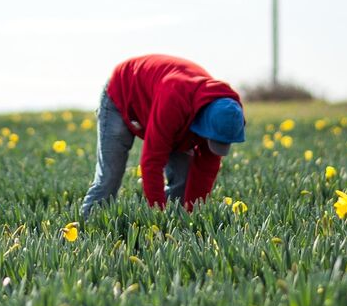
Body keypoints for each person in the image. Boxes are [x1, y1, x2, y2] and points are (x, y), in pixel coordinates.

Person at [80, 54, 246, 217]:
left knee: (184, 180)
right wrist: (157, 217)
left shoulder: (224, 111)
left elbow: (206, 170)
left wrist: (191, 216)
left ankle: (172, 225)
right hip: (122, 92)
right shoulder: (174, 101)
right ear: (203, 122)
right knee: (110, 177)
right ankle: (87, 225)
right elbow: (152, 162)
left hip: (165, 106)